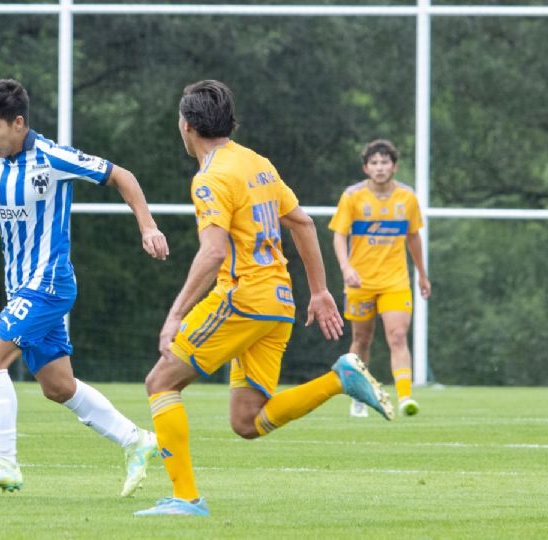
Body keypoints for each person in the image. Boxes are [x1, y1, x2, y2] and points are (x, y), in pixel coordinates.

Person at [134, 80, 394, 517]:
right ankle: (340, 379)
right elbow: (304, 223)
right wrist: (319, 292)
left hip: (240, 299)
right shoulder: (257, 164)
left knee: (160, 383)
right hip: (279, 304)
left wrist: (175, 314)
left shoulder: (210, 178)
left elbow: (214, 251)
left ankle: (186, 499)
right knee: (247, 422)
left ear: (187, 125)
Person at [0, 79, 169, 496]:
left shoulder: (53, 156)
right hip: (19, 286)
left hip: (49, 283)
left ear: (18, 123)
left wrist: (148, 227)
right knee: (58, 387)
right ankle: (137, 441)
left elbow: (122, 176)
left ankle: (5, 464)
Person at [329, 139, 431, 418]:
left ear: (394, 166)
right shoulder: (352, 196)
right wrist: (346, 268)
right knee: (361, 340)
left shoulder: (407, 198)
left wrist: (422, 274)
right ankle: (359, 397)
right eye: (374, 162)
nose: (380, 167)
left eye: (385, 162)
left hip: (395, 281)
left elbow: (413, 237)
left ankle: (405, 398)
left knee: (397, 336)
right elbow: (339, 234)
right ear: (366, 168)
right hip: (360, 282)